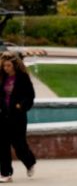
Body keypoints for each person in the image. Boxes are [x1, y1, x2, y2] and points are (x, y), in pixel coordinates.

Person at [0, 52, 37, 181]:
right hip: (3, 116)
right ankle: (6, 173)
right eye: (4, 66)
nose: (6, 68)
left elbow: (30, 96)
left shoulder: (23, 78)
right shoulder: (2, 77)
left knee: (19, 145)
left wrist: (21, 106)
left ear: (14, 66)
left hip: (17, 117)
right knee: (3, 145)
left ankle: (29, 162)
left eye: (8, 66)